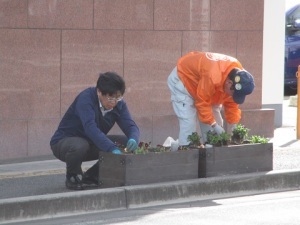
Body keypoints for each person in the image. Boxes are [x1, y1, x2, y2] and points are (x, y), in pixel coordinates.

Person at [50, 72, 140, 190]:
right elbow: (90, 128)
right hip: (65, 143)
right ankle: (73, 176)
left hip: (91, 142)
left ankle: (92, 176)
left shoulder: (119, 104)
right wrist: (111, 148)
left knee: (124, 143)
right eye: (110, 97)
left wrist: (133, 138)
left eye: (118, 97)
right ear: (99, 92)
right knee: (80, 145)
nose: (114, 102)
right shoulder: (86, 99)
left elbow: (131, 126)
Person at [167, 51, 255, 146]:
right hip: (184, 79)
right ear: (229, 83)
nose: (233, 97)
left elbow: (231, 103)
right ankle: (182, 150)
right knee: (189, 125)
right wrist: (214, 125)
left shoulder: (240, 78)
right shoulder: (213, 76)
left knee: (215, 133)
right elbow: (202, 102)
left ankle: (211, 152)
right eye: (234, 94)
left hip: (206, 88)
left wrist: (234, 124)